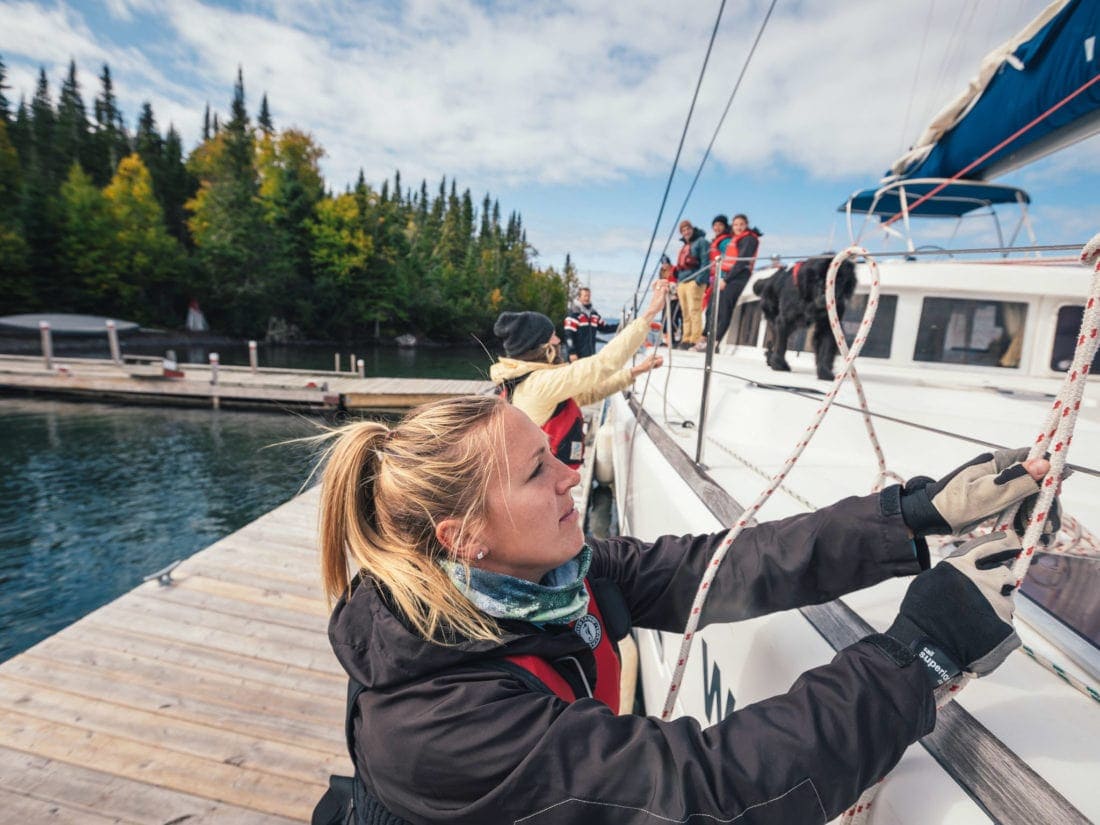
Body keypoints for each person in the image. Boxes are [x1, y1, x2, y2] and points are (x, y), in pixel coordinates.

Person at [317, 398, 1054, 825]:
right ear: (464, 537)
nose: (573, 474)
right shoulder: (435, 726)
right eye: (539, 471)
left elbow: (713, 568)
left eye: (555, 452)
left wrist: (910, 517)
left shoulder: (547, 577)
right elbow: (702, 790)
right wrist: (919, 653)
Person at [490, 281, 667, 468]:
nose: (558, 340)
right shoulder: (540, 384)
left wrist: (635, 371)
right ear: (543, 347)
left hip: (544, 473)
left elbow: (587, 394)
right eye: (553, 336)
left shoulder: (525, 379)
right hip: (547, 479)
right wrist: (650, 313)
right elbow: (603, 363)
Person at [697, 213, 762, 352]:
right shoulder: (736, 239)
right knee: (713, 308)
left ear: (746, 225)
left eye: (741, 224)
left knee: (724, 309)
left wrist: (726, 280)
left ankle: (714, 343)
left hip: (738, 277)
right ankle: (705, 339)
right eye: (736, 225)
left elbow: (741, 262)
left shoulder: (749, 239)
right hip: (727, 276)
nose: (738, 227)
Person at [673, 219, 710, 349]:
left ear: (692, 229)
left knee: (694, 310)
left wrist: (698, 281)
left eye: (688, 229)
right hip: (682, 282)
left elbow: (705, 262)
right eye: (683, 230)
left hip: (694, 281)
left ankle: (694, 339)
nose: (686, 232)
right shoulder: (685, 246)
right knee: (685, 312)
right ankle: (686, 338)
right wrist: (678, 283)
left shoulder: (702, 242)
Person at [563, 287, 611, 361]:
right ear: (579, 297)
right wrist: (572, 352)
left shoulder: (594, 315)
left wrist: (622, 325)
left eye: (589, 296)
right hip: (577, 357)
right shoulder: (573, 315)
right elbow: (568, 336)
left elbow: (605, 328)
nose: (587, 298)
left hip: (590, 356)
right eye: (585, 296)